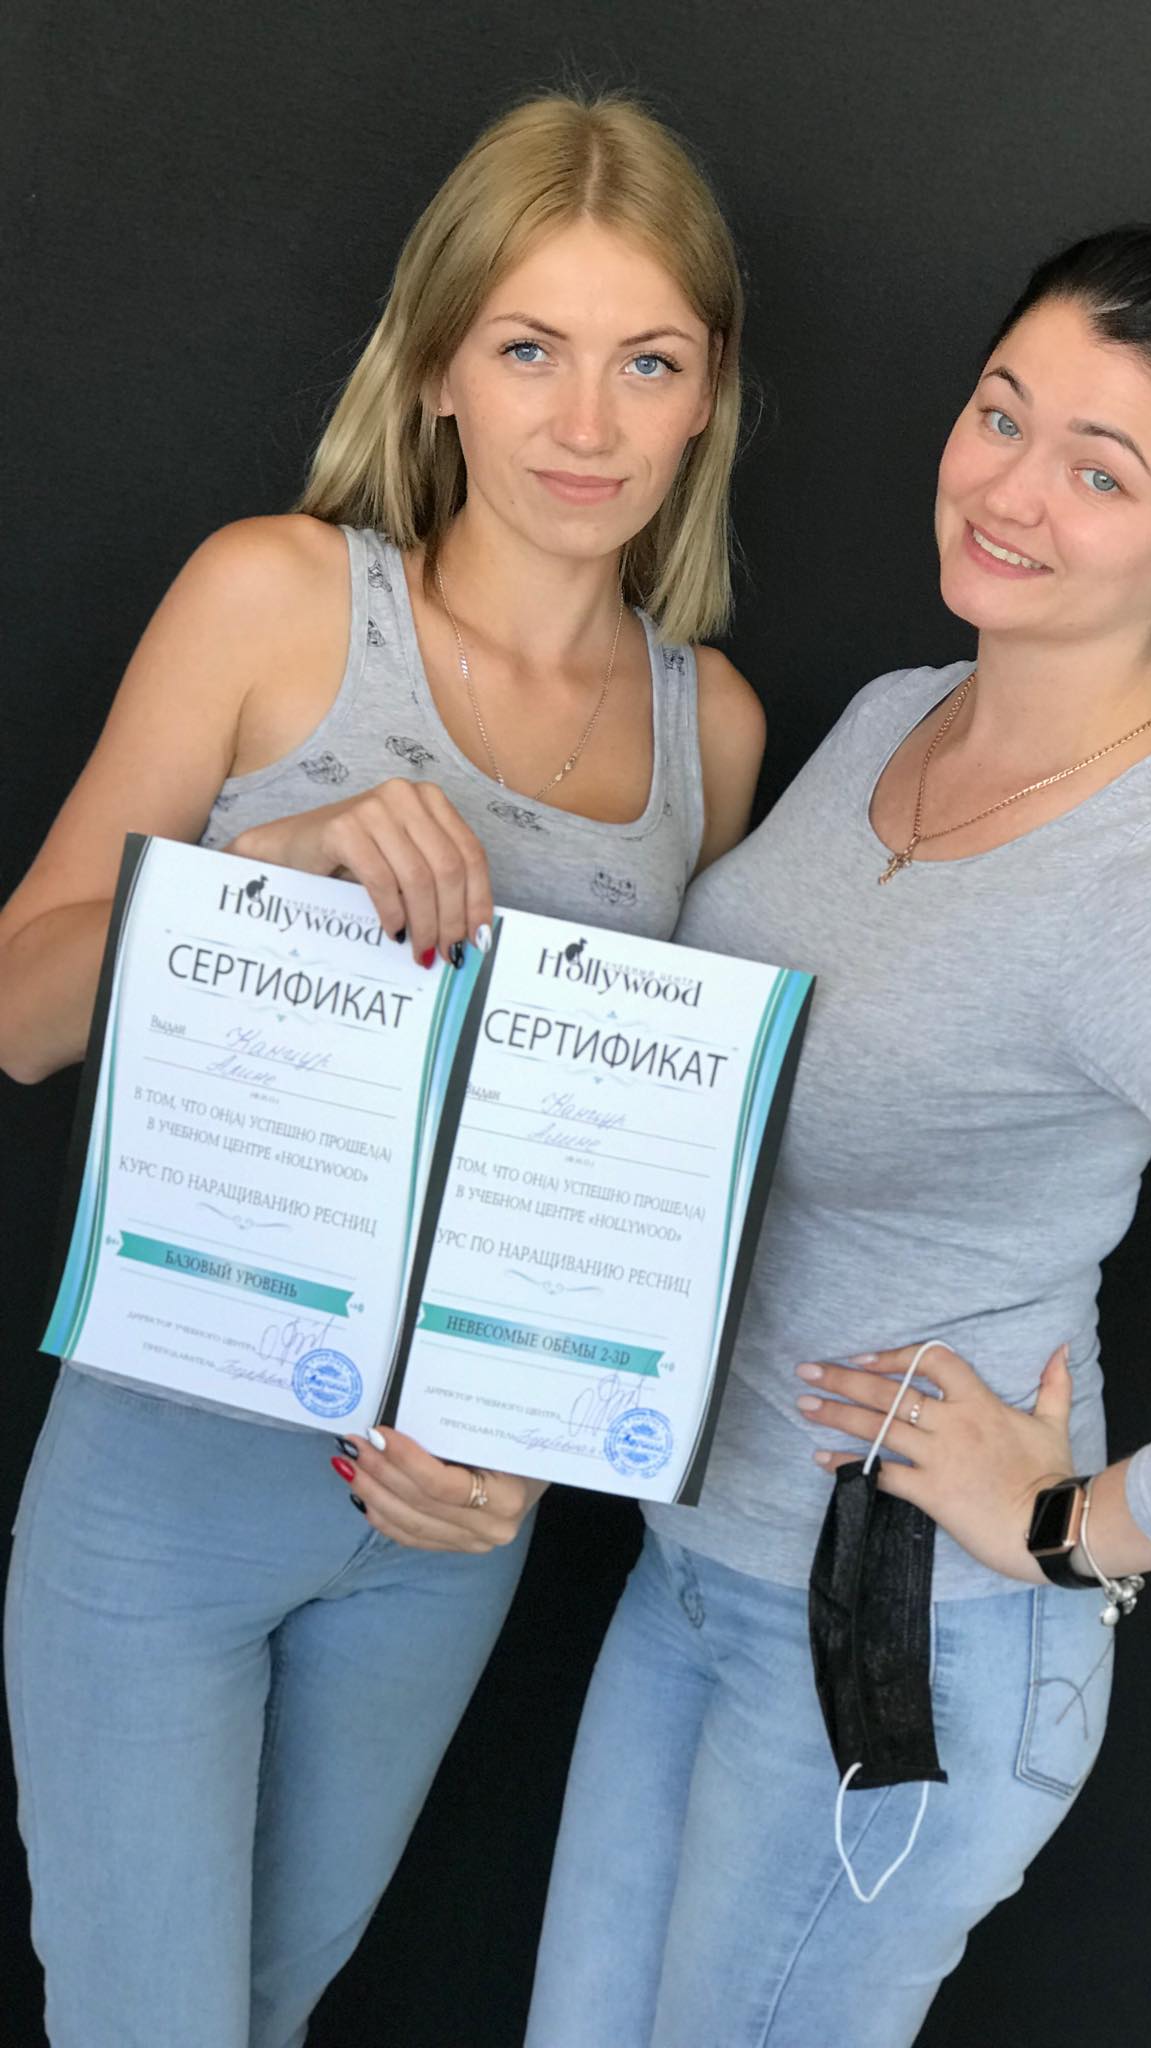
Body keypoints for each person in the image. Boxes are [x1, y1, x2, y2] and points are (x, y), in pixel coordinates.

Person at [513, 143, 1151, 2047]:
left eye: (1101, 472)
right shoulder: (897, 714)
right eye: (1001, 412)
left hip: (902, 1650)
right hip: (693, 1574)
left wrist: (1066, 1529)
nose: (1010, 488)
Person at [0, 90, 763, 2048]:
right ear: (435, 369)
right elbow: (16, 1010)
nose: (585, 422)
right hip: (164, 1476)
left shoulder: (715, 734)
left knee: (266, 2016)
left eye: (645, 361)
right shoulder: (272, 598)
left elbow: (632, 1194)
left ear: (706, 398)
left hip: (439, 1534)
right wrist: (256, 880)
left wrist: (530, 1459)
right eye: (528, 348)